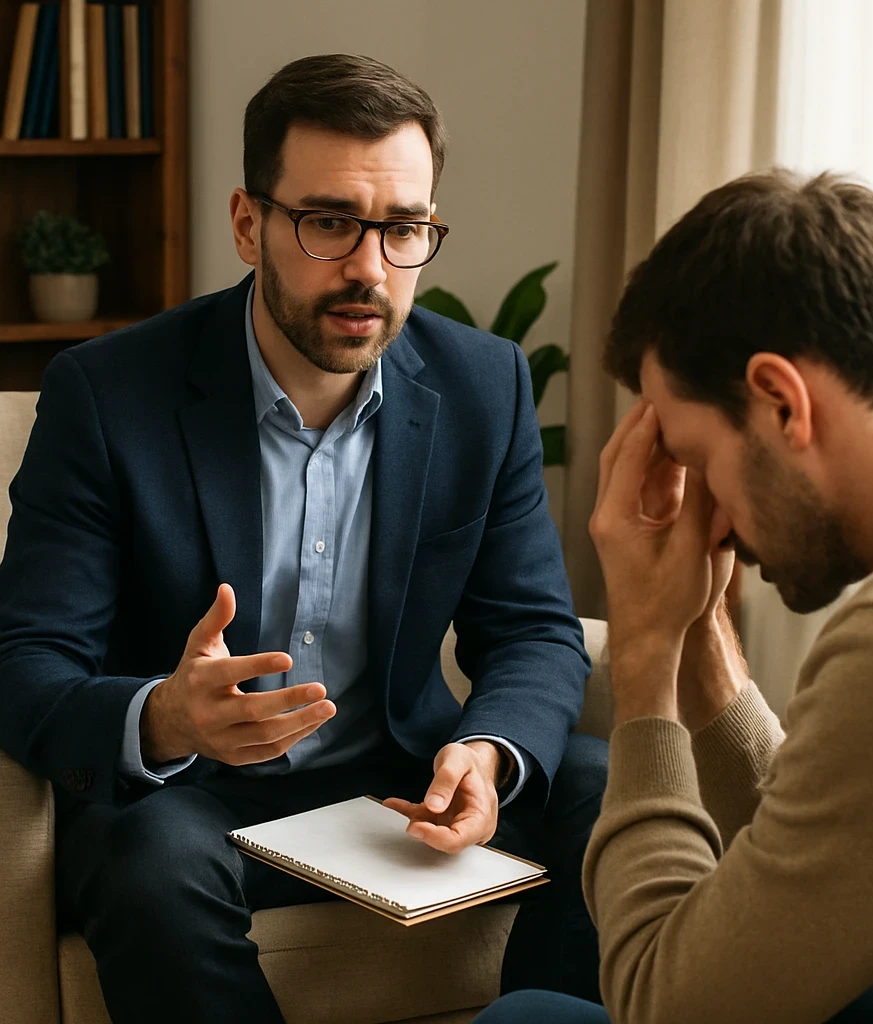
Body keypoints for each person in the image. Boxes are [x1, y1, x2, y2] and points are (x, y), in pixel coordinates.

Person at [0, 54, 607, 1024]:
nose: (369, 268)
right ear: (249, 223)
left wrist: (483, 754)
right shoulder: (109, 395)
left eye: (404, 229)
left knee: (599, 783)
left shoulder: (483, 386)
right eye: (328, 222)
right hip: (192, 793)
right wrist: (164, 716)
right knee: (144, 857)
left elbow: (532, 627)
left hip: (400, 780)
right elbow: (25, 662)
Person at [476, 169, 873, 1024]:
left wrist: (648, 656)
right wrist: (700, 638)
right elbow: (816, 858)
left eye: (699, 458)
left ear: (779, 400)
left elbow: (668, 1003)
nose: (710, 513)